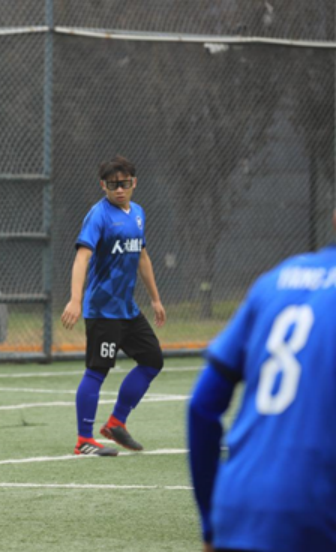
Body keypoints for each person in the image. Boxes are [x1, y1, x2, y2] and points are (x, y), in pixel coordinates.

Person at [188, 210, 336, 552]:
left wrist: (210, 522)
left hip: (238, 510)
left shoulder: (274, 281)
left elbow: (202, 406)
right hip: (316, 514)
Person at [60, 155, 166, 456]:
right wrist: (76, 299)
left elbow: (142, 257)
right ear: (103, 186)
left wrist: (155, 299)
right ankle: (84, 440)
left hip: (127, 310)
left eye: (124, 183)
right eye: (112, 185)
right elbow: (82, 257)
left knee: (152, 360)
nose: (119, 189)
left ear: (134, 183)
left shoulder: (138, 213)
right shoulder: (98, 216)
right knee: (97, 371)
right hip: (103, 310)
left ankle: (116, 423)